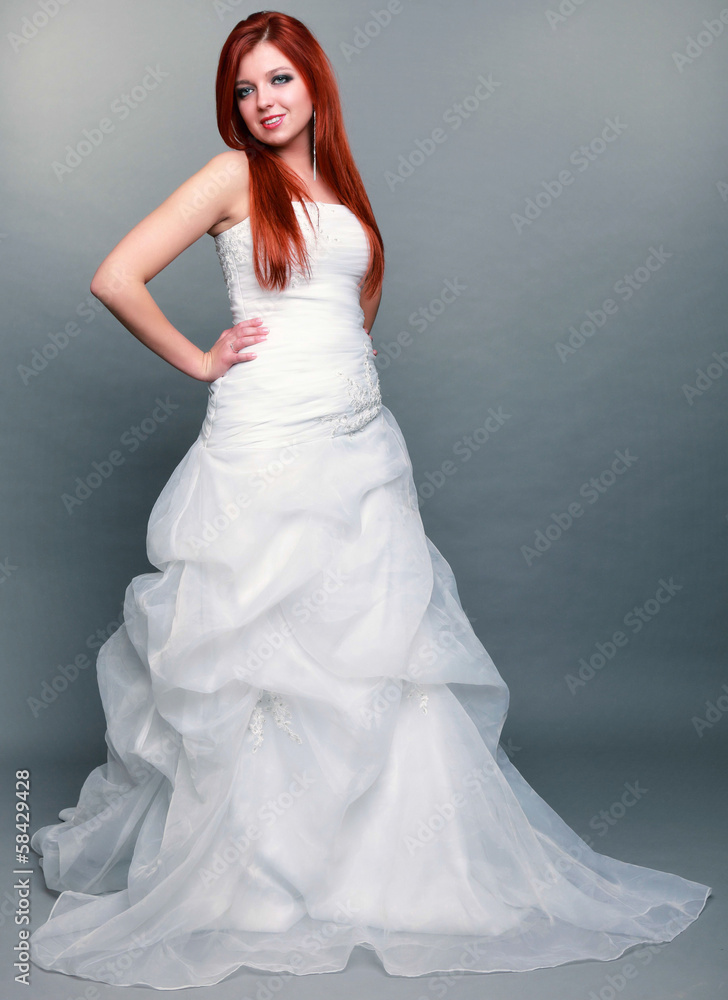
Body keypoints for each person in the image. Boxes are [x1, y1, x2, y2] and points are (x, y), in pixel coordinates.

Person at [29, 11, 711, 990]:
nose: (260, 103)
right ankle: (259, 878)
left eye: (276, 81)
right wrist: (199, 358)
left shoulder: (339, 189)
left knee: (373, 652)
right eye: (243, 89)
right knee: (261, 654)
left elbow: (349, 304)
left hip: (355, 447)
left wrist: (344, 362)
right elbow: (114, 274)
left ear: (314, 83)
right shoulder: (232, 177)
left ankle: (376, 864)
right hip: (263, 444)